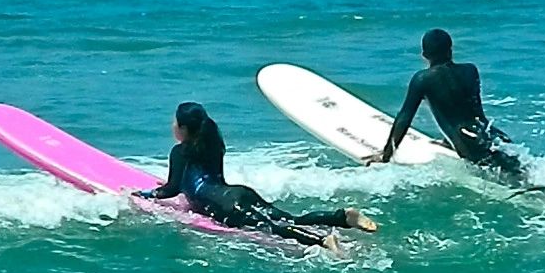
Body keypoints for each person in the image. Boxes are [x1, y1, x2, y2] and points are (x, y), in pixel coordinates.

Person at [363, 28, 545, 208]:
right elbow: (471, 111)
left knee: (517, 188)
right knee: (522, 170)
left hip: (470, 143)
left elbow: (405, 118)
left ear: (424, 54)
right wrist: (449, 142)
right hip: (492, 134)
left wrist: (386, 155)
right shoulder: (470, 70)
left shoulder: (422, 79)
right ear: (451, 49)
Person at [136, 102, 377, 253]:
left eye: (175, 122)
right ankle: (342, 217)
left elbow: (171, 189)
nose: (172, 125)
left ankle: (321, 241)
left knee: (272, 227)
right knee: (288, 218)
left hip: (226, 204)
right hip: (238, 193)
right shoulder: (213, 144)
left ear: (183, 129)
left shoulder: (180, 151)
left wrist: (144, 195)